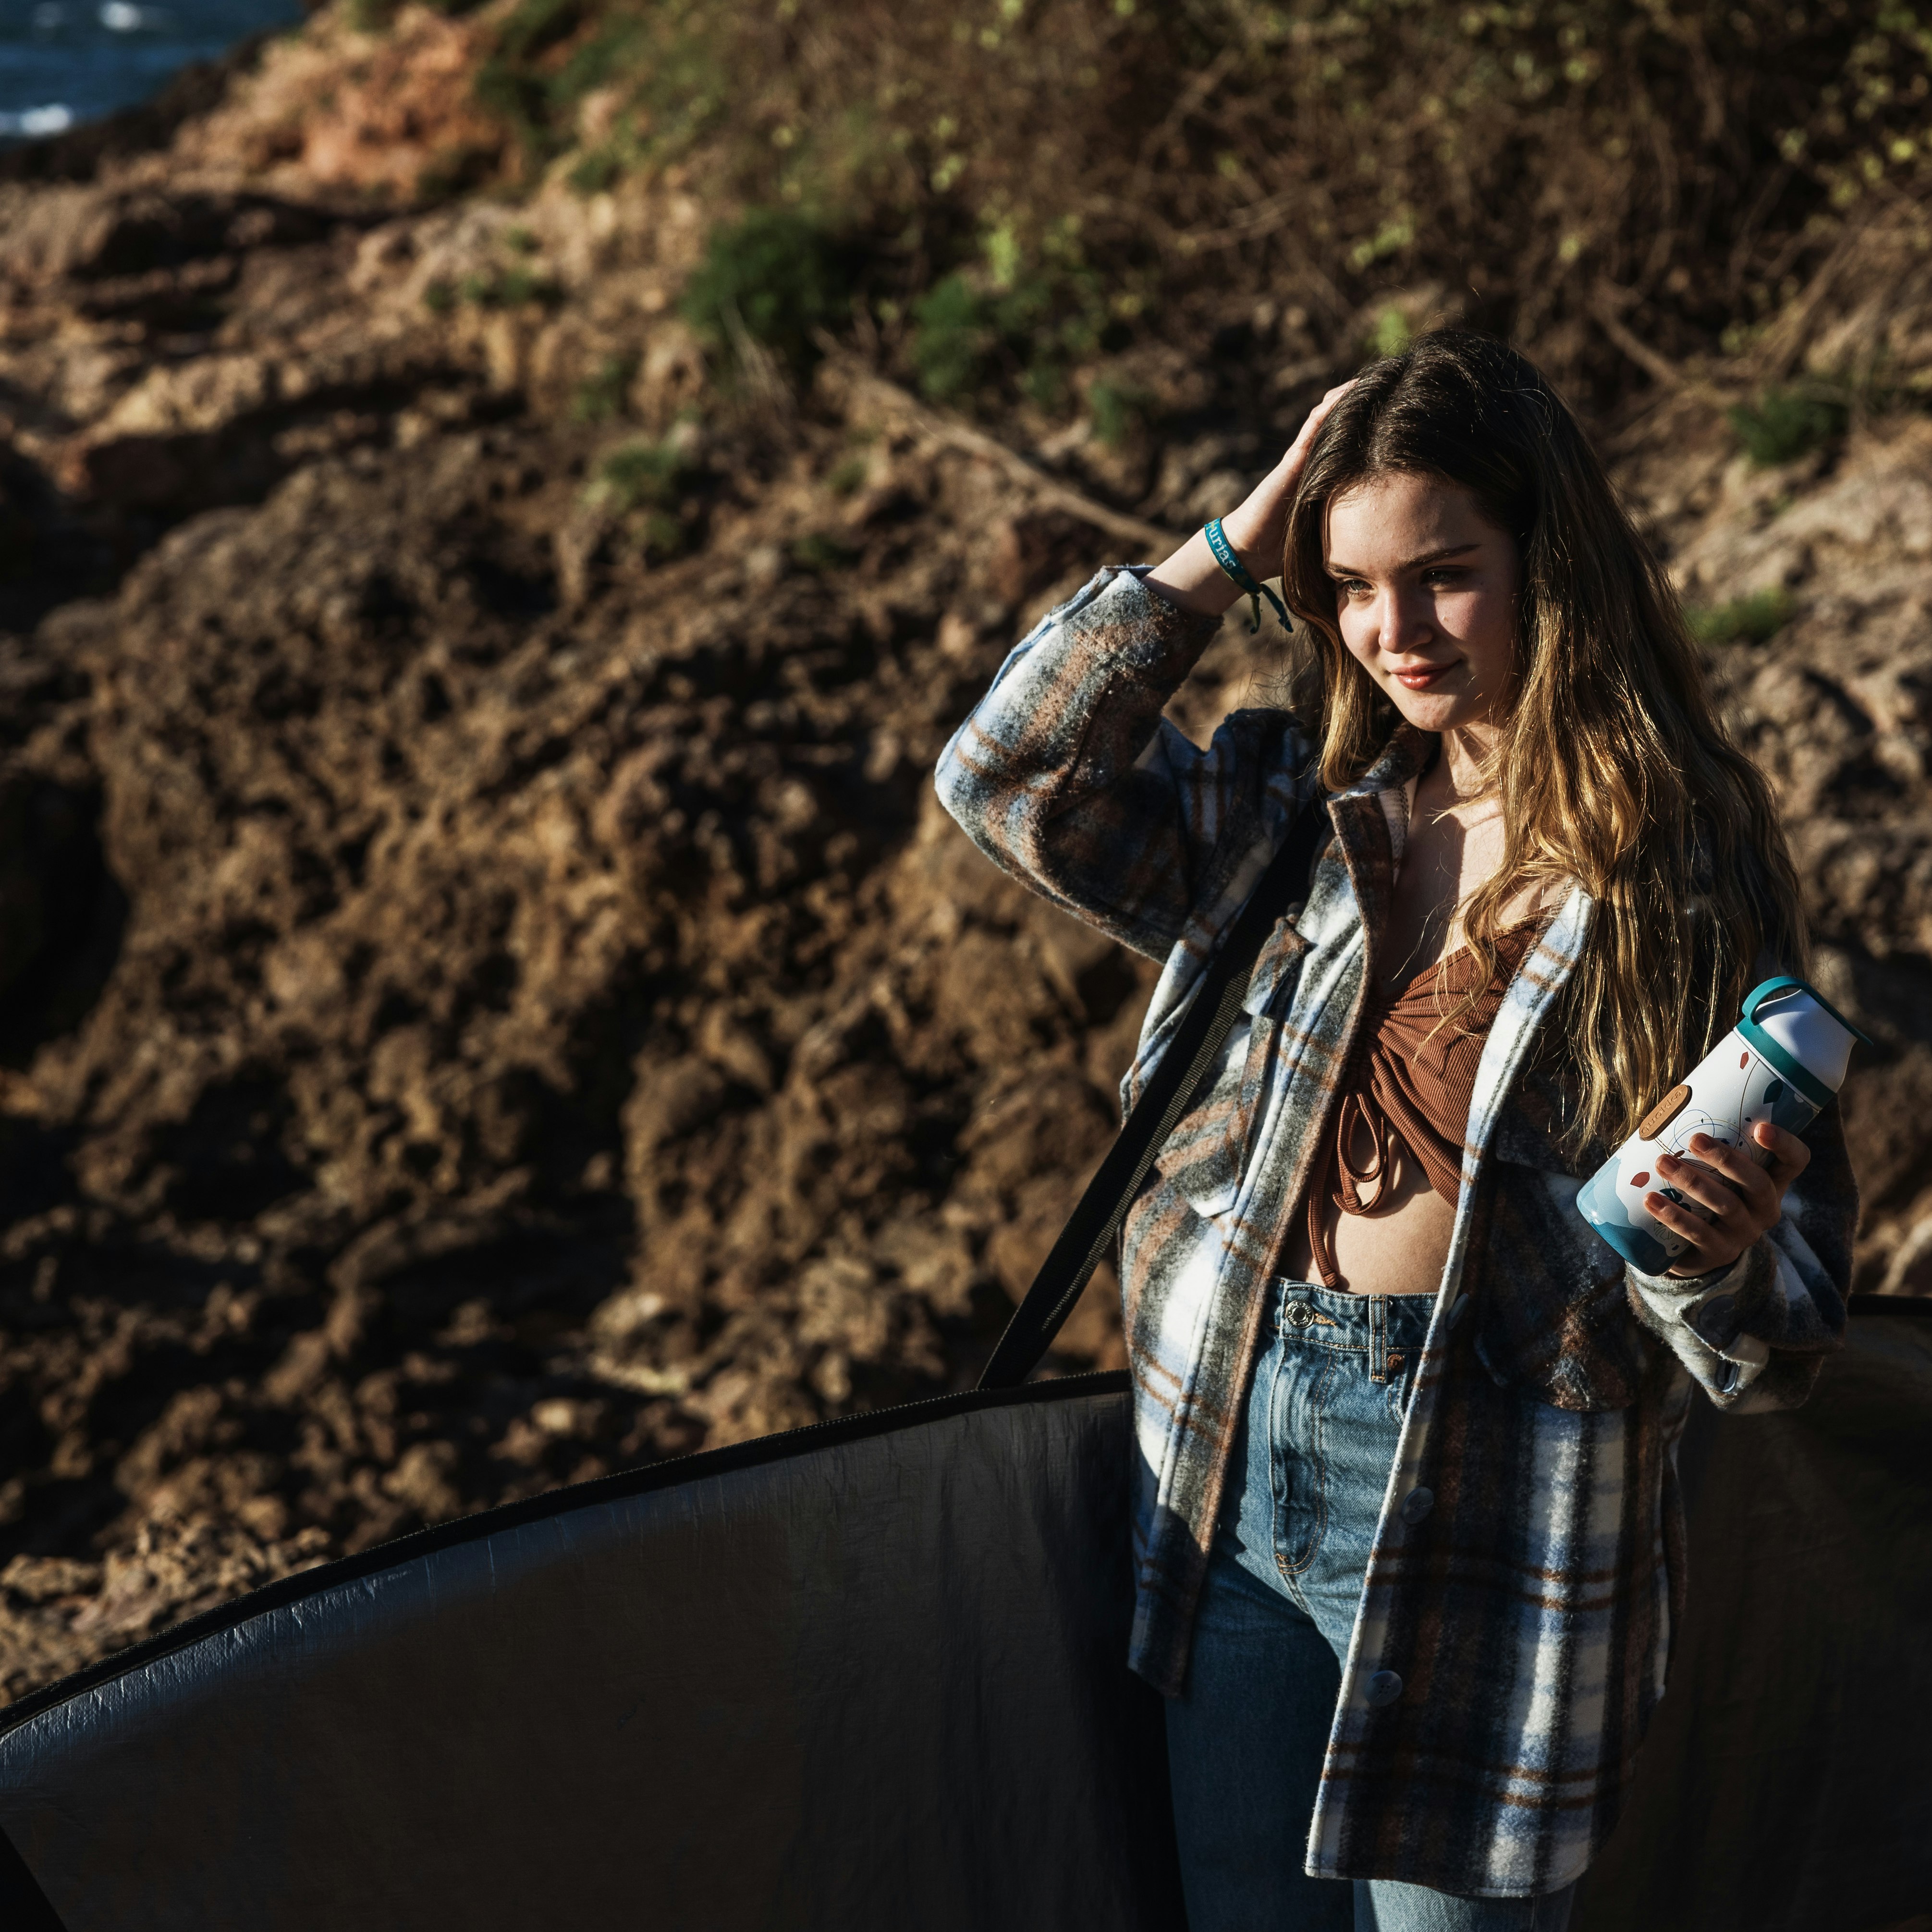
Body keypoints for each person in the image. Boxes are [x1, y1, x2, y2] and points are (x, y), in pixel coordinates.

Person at [934, 330, 1856, 1930]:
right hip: (1220, 1443)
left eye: (1442, 574)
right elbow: (1006, 774)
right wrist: (1239, 539)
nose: (1391, 632)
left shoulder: (1674, 864)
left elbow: (1776, 1344)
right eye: (1350, 586)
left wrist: (1710, 1261)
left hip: (1477, 1496)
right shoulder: (1296, 808)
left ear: (1546, 567)